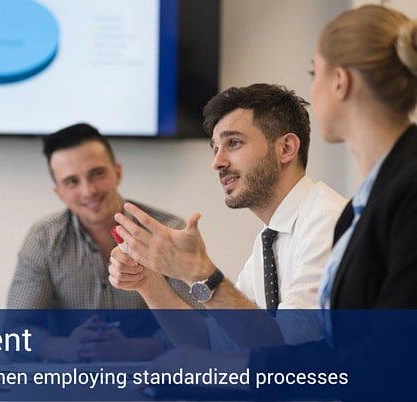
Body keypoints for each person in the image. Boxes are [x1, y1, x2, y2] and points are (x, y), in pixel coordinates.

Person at [148, 6, 417, 400]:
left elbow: (389, 360)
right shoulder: (363, 206)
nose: (217, 162)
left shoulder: (391, 197)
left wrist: (202, 278)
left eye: (314, 74)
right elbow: (228, 343)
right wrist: (153, 281)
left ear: (340, 81)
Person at [109, 84, 346, 347]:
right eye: (215, 148)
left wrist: (199, 273)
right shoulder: (270, 239)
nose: (217, 163)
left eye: (233, 143)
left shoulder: (328, 222)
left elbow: (287, 351)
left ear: (286, 148)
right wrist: (148, 282)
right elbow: (211, 342)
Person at [5, 123, 198, 361]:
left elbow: (199, 328)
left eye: (97, 173)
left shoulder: (168, 231)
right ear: (59, 192)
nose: (88, 191)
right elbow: (15, 333)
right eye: (72, 182)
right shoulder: (43, 239)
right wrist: (63, 348)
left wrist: (136, 349)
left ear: (117, 173)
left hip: (156, 375)